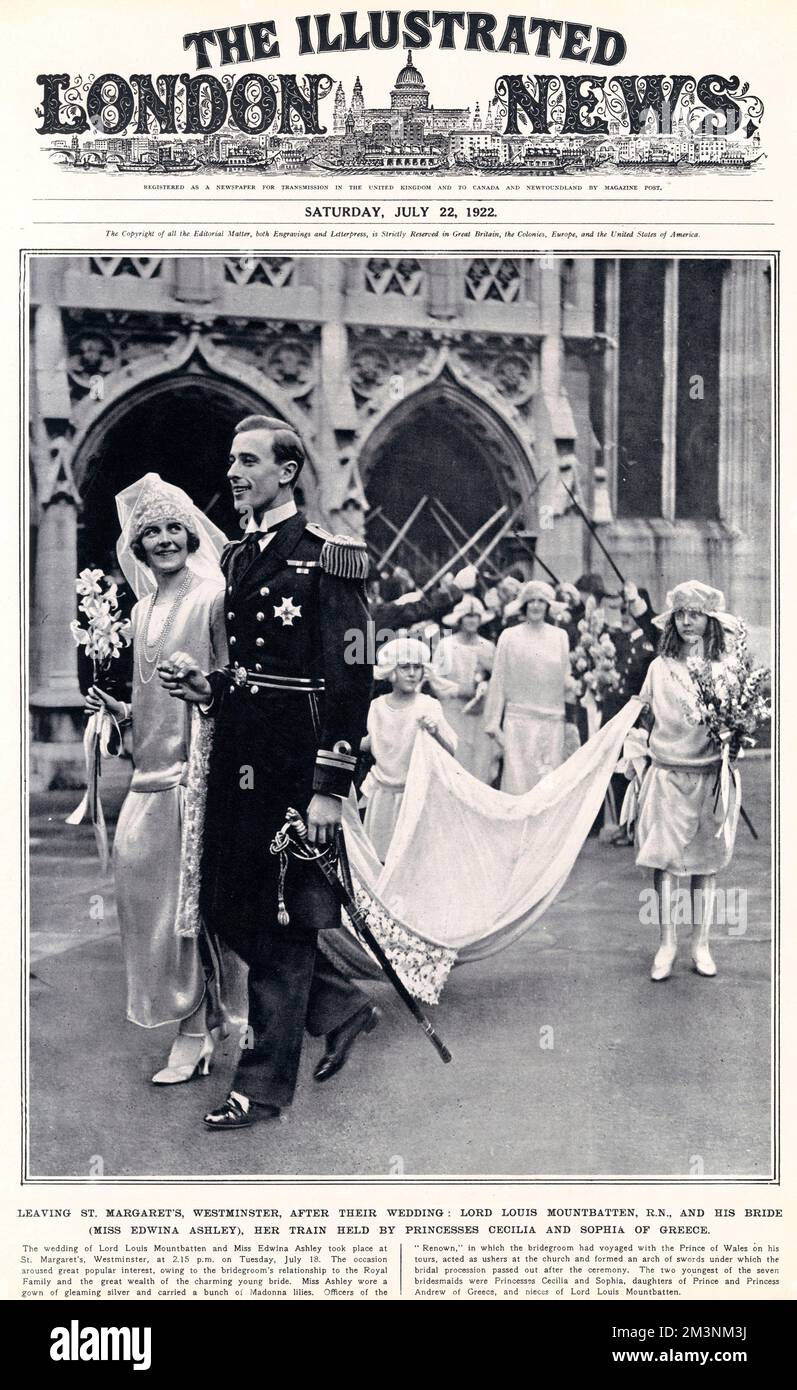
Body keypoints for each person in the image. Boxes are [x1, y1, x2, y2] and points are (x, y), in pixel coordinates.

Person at [159, 415, 377, 1130]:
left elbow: (351, 677)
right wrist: (209, 688)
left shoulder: (329, 558)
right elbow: (252, 670)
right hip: (239, 755)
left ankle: (260, 1090)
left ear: (286, 472)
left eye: (247, 461)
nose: (232, 472)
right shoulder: (237, 557)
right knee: (223, 904)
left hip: (293, 762)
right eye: (230, 460)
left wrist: (328, 786)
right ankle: (340, 1005)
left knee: (280, 923)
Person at [85, 474, 229, 1084]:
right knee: (143, 892)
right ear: (136, 544)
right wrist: (119, 714)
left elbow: (228, 681)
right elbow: (151, 701)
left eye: (174, 528)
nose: (165, 539)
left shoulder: (213, 596)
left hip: (195, 773)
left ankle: (195, 1033)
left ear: (191, 533)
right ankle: (210, 1018)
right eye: (152, 531)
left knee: (184, 907)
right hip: (149, 774)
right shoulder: (141, 609)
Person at [621, 581, 740, 982]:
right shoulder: (659, 667)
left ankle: (701, 943)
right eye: (682, 614)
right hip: (668, 773)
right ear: (673, 619)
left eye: (696, 614)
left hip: (709, 776)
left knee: (705, 864)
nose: (688, 622)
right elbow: (642, 711)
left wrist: (734, 737)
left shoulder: (724, 668)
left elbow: (736, 721)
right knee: (666, 863)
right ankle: (667, 944)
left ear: (710, 620)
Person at [361, 637, 457, 861]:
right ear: (392, 671)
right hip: (382, 794)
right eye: (405, 667)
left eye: (417, 667)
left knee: (413, 858)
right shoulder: (376, 707)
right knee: (379, 857)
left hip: (415, 795)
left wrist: (435, 732)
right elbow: (368, 744)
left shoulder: (428, 706)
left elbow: (451, 749)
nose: (412, 673)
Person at [483, 580, 571, 794]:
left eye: (541, 601)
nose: (536, 606)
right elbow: (499, 679)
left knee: (548, 786)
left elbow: (565, 680)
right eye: (531, 601)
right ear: (524, 605)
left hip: (552, 722)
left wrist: (571, 721)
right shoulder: (510, 636)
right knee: (518, 784)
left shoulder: (560, 636)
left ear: (548, 606)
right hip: (519, 723)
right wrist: (493, 722)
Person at [432, 595, 496, 782]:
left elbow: (497, 679)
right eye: (468, 616)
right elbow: (436, 680)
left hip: (479, 715)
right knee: (455, 761)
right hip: (453, 712)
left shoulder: (488, 646)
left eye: (476, 616)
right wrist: (461, 690)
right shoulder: (446, 645)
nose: (472, 620)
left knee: (479, 765)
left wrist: (483, 690)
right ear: (460, 619)